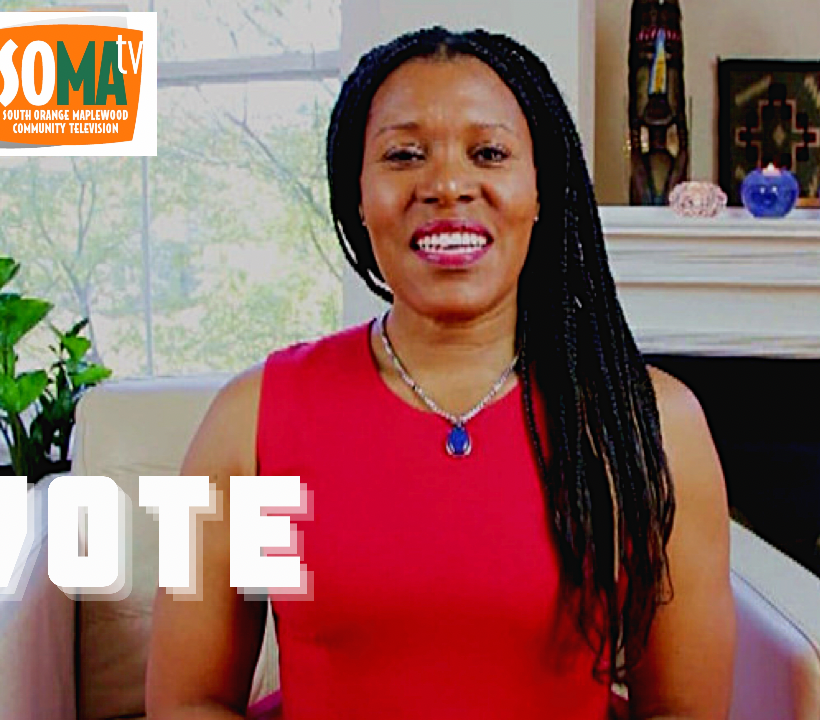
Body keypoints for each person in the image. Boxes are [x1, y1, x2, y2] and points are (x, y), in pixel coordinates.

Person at [145, 26, 734, 720]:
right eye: (403, 155)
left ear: (541, 189)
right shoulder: (247, 420)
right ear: (356, 194)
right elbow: (186, 702)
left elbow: (684, 711)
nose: (448, 185)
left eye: (489, 153)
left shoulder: (653, 425)